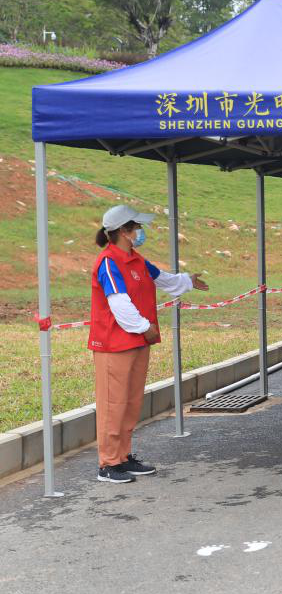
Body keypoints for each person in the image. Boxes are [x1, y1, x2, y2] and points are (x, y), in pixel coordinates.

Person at [89, 204, 208, 483]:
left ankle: (123, 457)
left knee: (130, 402)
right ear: (123, 231)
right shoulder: (108, 262)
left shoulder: (137, 260)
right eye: (137, 227)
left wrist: (187, 281)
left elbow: (162, 278)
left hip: (138, 340)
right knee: (113, 403)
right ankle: (108, 463)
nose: (141, 231)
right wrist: (145, 327)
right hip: (114, 343)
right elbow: (118, 302)